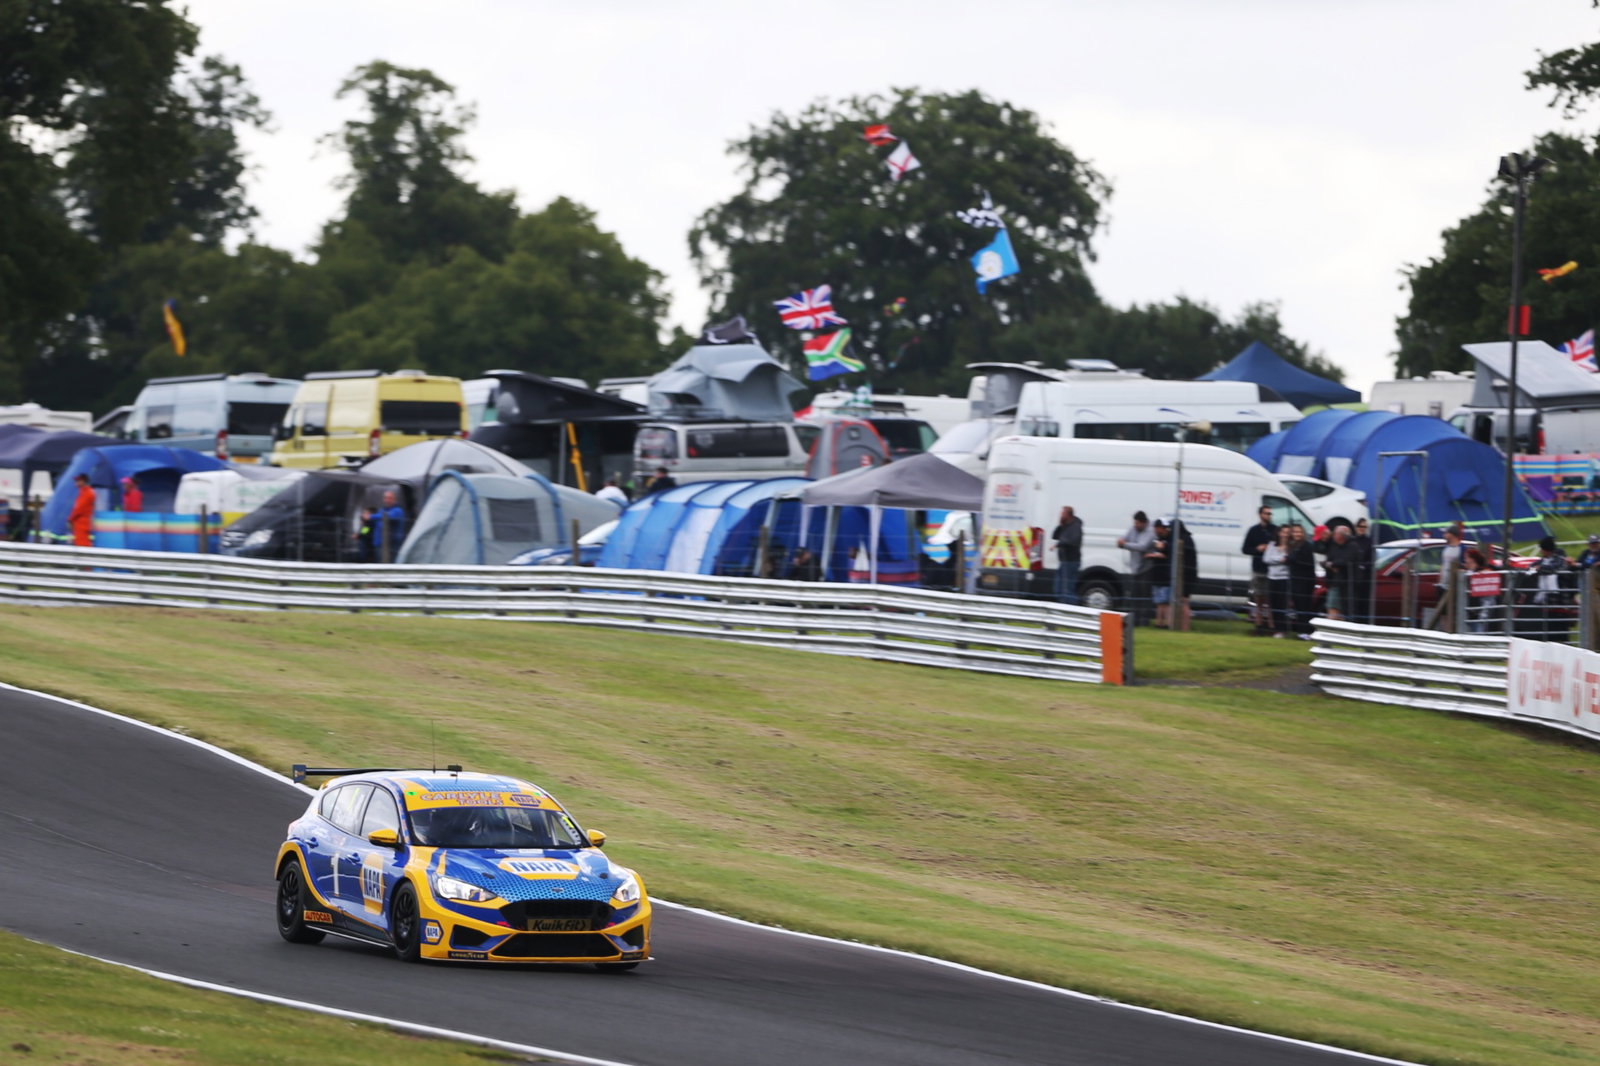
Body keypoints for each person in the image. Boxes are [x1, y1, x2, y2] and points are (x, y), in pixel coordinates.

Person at [1241, 505, 1279, 634]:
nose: (1268, 516)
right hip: (1258, 568)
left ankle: (1271, 625)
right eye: (1266, 513)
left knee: (1270, 599)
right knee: (1258, 598)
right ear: (1260, 514)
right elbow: (1245, 549)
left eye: (1270, 513)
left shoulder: (1275, 530)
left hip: (1271, 569)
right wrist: (1257, 549)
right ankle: (1259, 625)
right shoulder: (1253, 530)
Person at [1116, 511, 1156, 623]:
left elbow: (1142, 546)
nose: (1135, 525)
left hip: (1146, 568)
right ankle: (1134, 619)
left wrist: (1125, 544)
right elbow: (1123, 538)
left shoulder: (1150, 531)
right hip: (1134, 568)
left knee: (1144, 595)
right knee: (1134, 594)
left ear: (1144, 523)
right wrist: (1121, 542)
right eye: (1135, 523)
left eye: (1138, 523)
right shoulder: (1133, 529)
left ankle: (1144, 620)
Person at [1321, 523, 1361, 622]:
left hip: (1347, 585)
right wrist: (1332, 565)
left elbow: (1344, 562)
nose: (1333, 536)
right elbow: (1329, 561)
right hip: (1334, 583)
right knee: (1332, 608)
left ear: (1341, 536)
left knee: (1341, 612)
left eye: (1335, 533)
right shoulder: (1334, 546)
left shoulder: (1352, 546)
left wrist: (1333, 564)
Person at [1286, 522, 1317, 638]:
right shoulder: (1292, 546)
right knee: (1298, 606)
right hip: (1295, 580)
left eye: (1299, 532)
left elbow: (1308, 564)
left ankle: (1306, 631)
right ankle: (1301, 630)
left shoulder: (1306, 546)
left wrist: (1292, 560)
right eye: (1295, 532)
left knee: (1304, 606)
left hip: (1305, 582)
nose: (1297, 534)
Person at [1051, 505, 1083, 605]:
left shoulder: (1076, 526)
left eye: (1063, 513)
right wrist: (1060, 525)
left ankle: (1072, 607)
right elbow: (1055, 536)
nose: (1061, 515)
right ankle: (1062, 605)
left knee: (1068, 589)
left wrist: (1059, 544)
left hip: (1071, 561)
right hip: (1064, 561)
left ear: (1068, 515)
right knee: (1058, 588)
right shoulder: (1065, 525)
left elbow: (1073, 540)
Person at [1262, 525, 1292, 636]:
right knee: (1273, 604)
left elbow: (1288, 561)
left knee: (1282, 604)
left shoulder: (1291, 547)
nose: (1285, 534)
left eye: (1287, 532)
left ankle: (1283, 629)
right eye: (1283, 532)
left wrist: (1275, 560)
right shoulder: (1272, 545)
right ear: (1279, 533)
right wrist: (1280, 559)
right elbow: (1266, 559)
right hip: (1272, 578)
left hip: (1284, 578)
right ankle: (1276, 629)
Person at [1172, 519, 1198, 631]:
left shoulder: (1184, 540)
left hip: (1186, 576)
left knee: (1184, 602)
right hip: (1189, 575)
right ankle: (1183, 626)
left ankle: (1185, 627)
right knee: (1184, 602)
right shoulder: (1187, 538)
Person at [1146, 520, 1172, 628]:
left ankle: (1166, 623)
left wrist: (1157, 553)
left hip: (1166, 576)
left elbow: (1166, 552)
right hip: (1157, 575)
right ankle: (1159, 623)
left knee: (1164, 602)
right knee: (1159, 602)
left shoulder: (1169, 539)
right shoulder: (1158, 539)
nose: (1156, 530)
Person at [1351, 517, 1375, 623]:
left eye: (1364, 526)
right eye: (1360, 526)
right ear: (1356, 527)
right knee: (1354, 604)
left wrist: (1363, 566)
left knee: (1365, 605)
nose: (1362, 528)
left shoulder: (1369, 542)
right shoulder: (1351, 541)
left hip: (1365, 579)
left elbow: (1372, 560)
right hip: (1353, 579)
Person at [68, 473, 96, 547]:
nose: (76, 482)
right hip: (81, 522)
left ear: (83, 481)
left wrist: (70, 519)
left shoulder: (87, 493)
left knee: (82, 544)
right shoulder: (85, 492)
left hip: (81, 523)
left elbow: (78, 508)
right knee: (81, 543)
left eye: (78, 480)